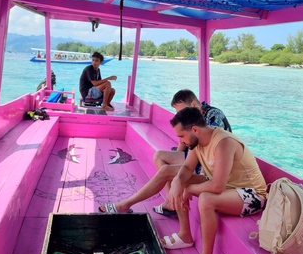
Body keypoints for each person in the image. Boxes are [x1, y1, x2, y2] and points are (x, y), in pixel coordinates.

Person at [163, 107, 266, 254]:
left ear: (194, 130)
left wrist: (191, 189)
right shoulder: (197, 142)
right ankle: (184, 234)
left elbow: (217, 186)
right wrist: (179, 183)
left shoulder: (223, 142)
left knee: (206, 199)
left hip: (253, 195)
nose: (180, 141)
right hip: (231, 190)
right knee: (178, 181)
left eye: (181, 136)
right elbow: (187, 168)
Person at [98, 89, 231, 214]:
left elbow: (212, 146)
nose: (181, 117)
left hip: (211, 165)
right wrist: (177, 155)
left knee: (166, 171)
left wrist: (191, 175)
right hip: (197, 157)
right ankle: (170, 200)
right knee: (160, 156)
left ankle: (127, 205)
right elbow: (185, 144)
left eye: (182, 112)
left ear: (194, 104)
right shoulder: (193, 116)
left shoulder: (213, 116)